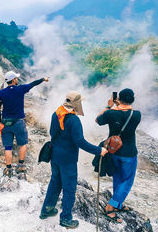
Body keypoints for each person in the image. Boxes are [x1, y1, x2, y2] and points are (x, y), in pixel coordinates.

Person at [40, 91, 108, 229]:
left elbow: (52, 134)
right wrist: (98, 150)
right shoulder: (73, 120)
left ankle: (46, 210)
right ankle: (66, 218)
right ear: (76, 104)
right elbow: (80, 142)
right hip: (68, 159)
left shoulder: (56, 113)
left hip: (55, 156)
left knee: (55, 183)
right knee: (69, 188)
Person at [95, 88, 141, 223]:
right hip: (129, 153)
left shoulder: (110, 113)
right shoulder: (137, 114)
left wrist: (109, 106)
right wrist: (119, 105)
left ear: (118, 99)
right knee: (126, 180)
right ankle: (110, 208)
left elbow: (98, 120)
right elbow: (125, 113)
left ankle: (117, 204)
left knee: (117, 178)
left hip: (113, 151)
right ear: (132, 99)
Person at [0, 71, 49, 177]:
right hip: (19, 122)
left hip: (6, 122)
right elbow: (33, 84)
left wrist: (0, 121)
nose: (17, 79)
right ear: (14, 80)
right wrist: (43, 79)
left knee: (8, 147)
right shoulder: (21, 89)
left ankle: (8, 169)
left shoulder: (1, 93)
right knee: (23, 144)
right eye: (16, 78)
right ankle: (20, 165)